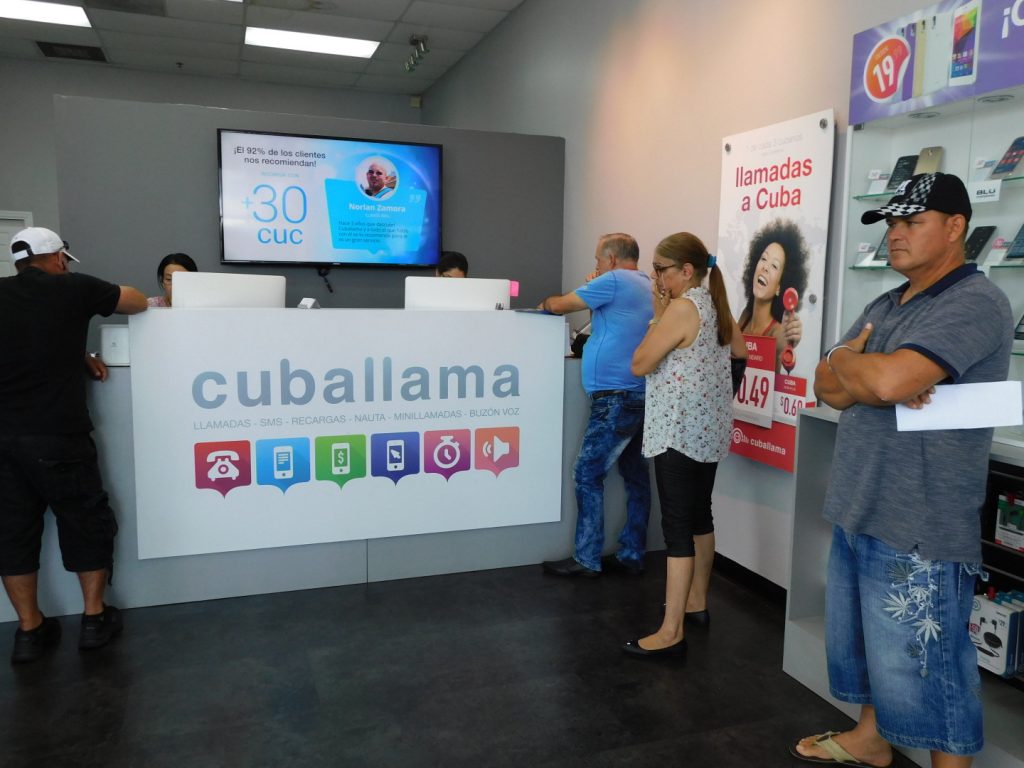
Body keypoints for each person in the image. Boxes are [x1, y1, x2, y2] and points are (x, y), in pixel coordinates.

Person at [793, 173, 1011, 768]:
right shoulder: (887, 302)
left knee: (934, 669)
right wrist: (853, 364)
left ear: (955, 227)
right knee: (873, 646)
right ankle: (871, 739)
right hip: (862, 499)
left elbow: (887, 382)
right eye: (891, 223)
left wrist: (862, 367)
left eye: (912, 222)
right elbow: (828, 388)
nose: (895, 234)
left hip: (921, 518)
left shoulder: (975, 301)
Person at [0, 227, 148, 664]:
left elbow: (23, 343)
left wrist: (75, 354)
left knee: (12, 532)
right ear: (59, 258)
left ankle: (29, 631)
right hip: (58, 433)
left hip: (4, 437)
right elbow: (137, 300)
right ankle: (94, 619)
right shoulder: (73, 288)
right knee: (84, 520)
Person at [622, 233, 746, 657]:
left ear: (686, 270)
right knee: (698, 517)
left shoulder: (682, 308)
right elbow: (740, 352)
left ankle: (671, 632)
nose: (655, 277)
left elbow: (640, 363)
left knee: (676, 530)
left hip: (677, 432)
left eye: (660, 269)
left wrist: (658, 315)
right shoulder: (715, 304)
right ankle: (697, 603)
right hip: (708, 431)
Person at [540, 233, 652, 577]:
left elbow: (559, 305)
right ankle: (632, 552)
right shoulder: (647, 284)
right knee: (635, 476)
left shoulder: (614, 280)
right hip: (639, 394)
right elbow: (611, 321)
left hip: (615, 397)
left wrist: (545, 303)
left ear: (612, 259)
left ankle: (587, 557)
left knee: (586, 474)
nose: (597, 266)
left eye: (598, 260)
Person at [737, 219, 809, 372]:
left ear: (779, 288)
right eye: (763, 259)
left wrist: (791, 343)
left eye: (774, 266)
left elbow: (788, 359)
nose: (765, 268)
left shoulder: (778, 333)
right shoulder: (745, 316)